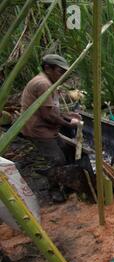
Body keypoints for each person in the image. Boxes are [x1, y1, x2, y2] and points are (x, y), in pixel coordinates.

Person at [20, 54, 81, 202]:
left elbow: (51, 109)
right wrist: (69, 123)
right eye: (60, 71)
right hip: (38, 130)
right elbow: (48, 115)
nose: (63, 75)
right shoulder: (43, 84)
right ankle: (54, 191)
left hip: (46, 127)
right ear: (47, 68)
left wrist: (67, 114)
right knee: (56, 159)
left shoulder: (48, 82)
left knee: (66, 149)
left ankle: (67, 182)